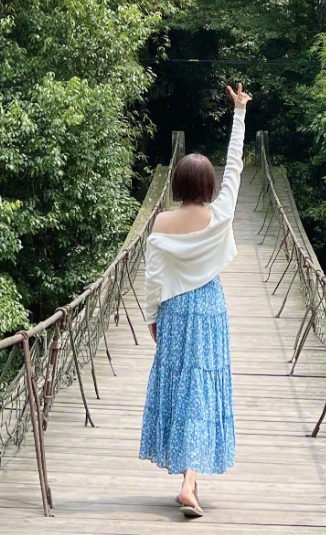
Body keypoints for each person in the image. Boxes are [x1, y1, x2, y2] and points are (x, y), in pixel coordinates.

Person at [139, 83, 253, 517]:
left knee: (181, 386)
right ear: (207, 185)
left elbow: (153, 278)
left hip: (175, 310)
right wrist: (238, 113)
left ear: (176, 182)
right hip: (209, 309)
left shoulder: (162, 222)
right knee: (202, 385)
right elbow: (236, 169)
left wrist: (151, 317)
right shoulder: (220, 214)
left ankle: (188, 479)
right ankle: (191, 481)